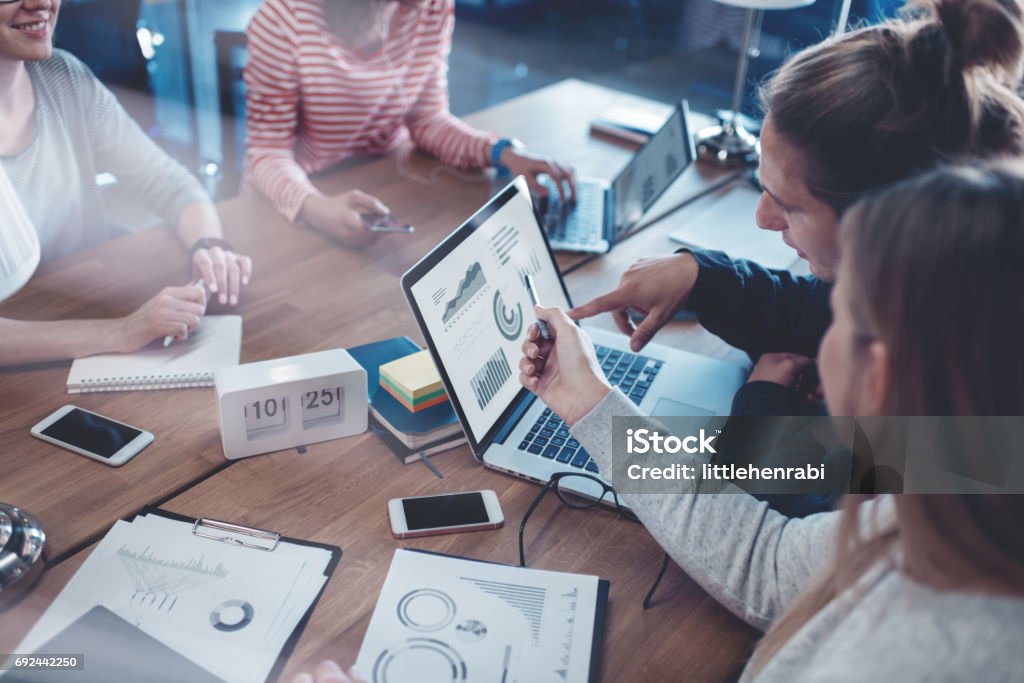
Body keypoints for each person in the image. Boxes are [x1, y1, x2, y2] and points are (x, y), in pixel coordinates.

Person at [516, 161, 1024, 681]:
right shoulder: (967, 483)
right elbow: (769, 562)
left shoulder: (904, 653)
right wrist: (588, 402)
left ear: (877, 373)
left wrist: (761, 409)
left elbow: (770, 503)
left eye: (837, 316)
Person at [570, 0, 1024, 416]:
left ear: (886, 224)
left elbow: (812, 493)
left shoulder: (970, 391)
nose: (763, 219)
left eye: (789, 205)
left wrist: (764, 407)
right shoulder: (928, 289)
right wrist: (702, 279)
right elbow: (813, 313)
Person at [0, 0, 253, 365]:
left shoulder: (64, 76)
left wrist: (209, 245)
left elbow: (167, 180)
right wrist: (119, 332)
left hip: (94, 302)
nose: (41, 3)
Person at [243, 0, 576, 247]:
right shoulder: (283, 19)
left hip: (386, 183)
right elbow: (266, 152)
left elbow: (427, 118)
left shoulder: (431, 7)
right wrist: (316, 208)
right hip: (296, 199)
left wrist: (502, 153)